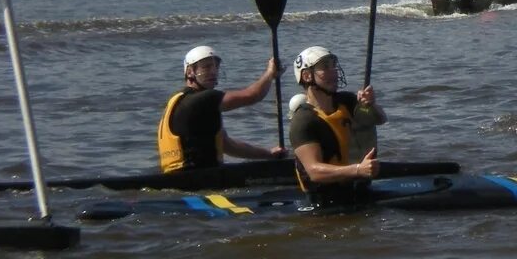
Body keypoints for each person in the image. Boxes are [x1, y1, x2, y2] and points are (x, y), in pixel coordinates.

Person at [157, 45, 285, 172]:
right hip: (196, 177)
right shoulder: (203, 99)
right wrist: (270, 74)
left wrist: (268, 154)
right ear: (190, 71)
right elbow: (252, 96)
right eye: (206, 67)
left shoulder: (178, 100)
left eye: (215, 66)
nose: (213, 71)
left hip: (177, 174)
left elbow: (227, 145)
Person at [288, 46, 385, 206]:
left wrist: (371, 105)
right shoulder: (303, 121)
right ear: (307, 76)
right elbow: (314, 171)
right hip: (325, 201)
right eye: (325, 67)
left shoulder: (347, 101)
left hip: (358, 190)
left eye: (334, 65)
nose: (333, 71)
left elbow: (379, 119)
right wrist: (358, 170)